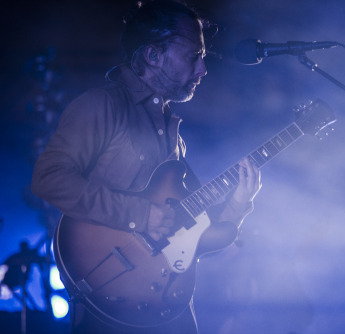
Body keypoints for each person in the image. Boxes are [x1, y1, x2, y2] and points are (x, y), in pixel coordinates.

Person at [31, 1, 261, 333]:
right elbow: (48, 179)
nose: (202, 70)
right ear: (153, 55)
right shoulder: (101, 106)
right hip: (109, 296)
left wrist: (238, 206)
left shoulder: (173, 137)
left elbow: (194, 245)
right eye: (193, 56)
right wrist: (141, 214)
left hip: (169, 308)